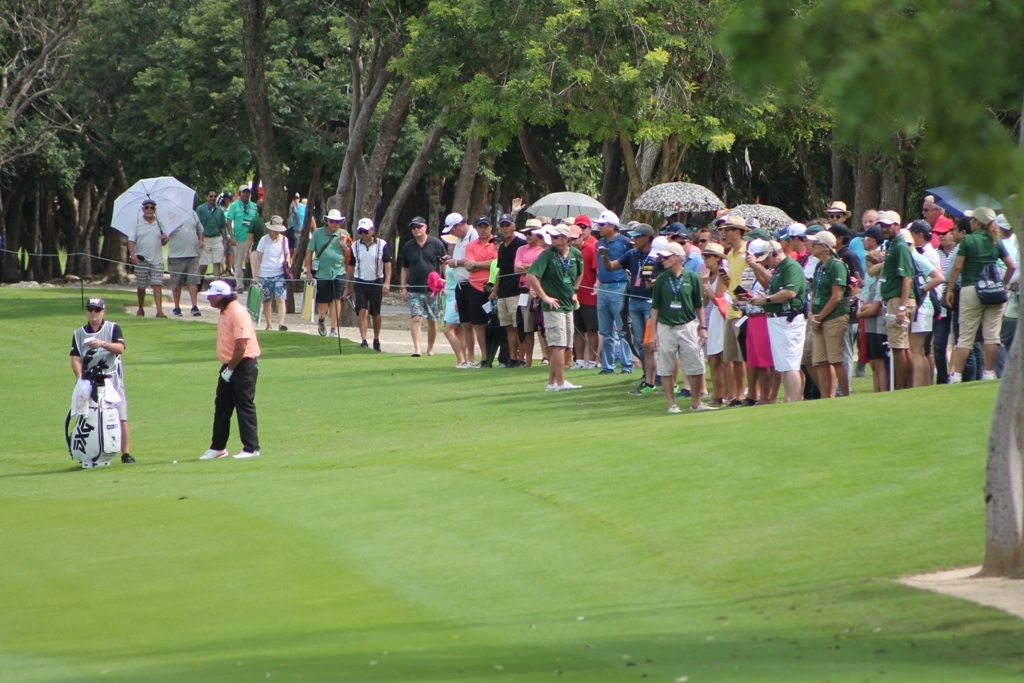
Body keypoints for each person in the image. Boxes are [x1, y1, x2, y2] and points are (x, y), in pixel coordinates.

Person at [946, 207, 1017, 383]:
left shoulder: (968, 240)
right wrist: (1003, 284)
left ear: (977, 222)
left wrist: (949, 289)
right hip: (994, 290)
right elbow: (1011, 266)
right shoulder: (996, 240)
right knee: (992, 335)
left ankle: (956, 375)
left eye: (972, 220)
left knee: (966, 335)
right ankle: (988, 372)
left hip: (971, 288)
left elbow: (957, 267)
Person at [198, 281, 261, 460]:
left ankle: (251, 448)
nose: (209, 298)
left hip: (243, 364)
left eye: (211, 295)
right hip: (229, 365)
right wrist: (228, 368)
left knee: (244, 405)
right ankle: (218, 448)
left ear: (221, 296)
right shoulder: (224, 311)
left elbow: (242, 346)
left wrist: (231, 369)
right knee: (222, 407)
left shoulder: (238, 312)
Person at [649, 242, 714, 413]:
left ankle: (696, 402)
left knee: (696, 366)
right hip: (666, 327)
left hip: (688, 326)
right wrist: (653, 333)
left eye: (666, 257)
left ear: (677, 258)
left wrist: (703, 327)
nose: (662, 260)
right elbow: (655, 307)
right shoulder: (662, 280)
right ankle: (671, 404)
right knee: (666, 367)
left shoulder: (692, 277)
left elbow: (699, 305)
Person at [70, 297, 134, 463]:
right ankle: (86, 450)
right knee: (86, 415)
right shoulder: (78, 333)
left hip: (112, 379)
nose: (93, 313)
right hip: (88, 381)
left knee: (120, 415)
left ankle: (125, 453)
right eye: (90, 309)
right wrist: (79, 377)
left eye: (97, 310)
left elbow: (120, 348)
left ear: (103, 311)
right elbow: (75, 357)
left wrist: (102, 344)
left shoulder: (113, 328)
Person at [601, 223, 658, 394]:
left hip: (650, 302)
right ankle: (647, 375)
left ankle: (658, 376)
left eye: (637, 236)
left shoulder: (656, 255)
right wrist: (604, 257)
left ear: (646, 237)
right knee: (639, 341)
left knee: (651, 342)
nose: (633, 239)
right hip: (634, 300)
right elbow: (610, 267)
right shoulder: (632, 254)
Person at [527, 225, 584, 391]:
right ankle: (560, 382)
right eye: (552, 237)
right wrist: (544, 296)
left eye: (557, 237)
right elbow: (531, 275)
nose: (553, 240)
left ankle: (552, 383)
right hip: (554, 307)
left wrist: (575, 291)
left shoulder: (575, 254)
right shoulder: (548, 254)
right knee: (558, 344)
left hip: (568, 305)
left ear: (566, 238)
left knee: (565, 345)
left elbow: (580, 272)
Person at [749, 243, 806, 402]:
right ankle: (789, 400)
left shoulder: (791, 267)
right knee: (783, 364)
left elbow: (790, 292)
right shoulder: (780, 268)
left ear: (775, 253)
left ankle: (795, 401)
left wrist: (766, 299)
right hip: (777, 318)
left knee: (790, 363)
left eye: (767, 258)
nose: (766, 262)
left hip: (788, 318)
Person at [807, 231, 849, 399]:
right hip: (818, 318)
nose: (811, 246)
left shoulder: (836, 265)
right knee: (821, 361)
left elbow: (837, 296)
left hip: (833, 317)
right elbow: (815, 293)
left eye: (815, 243)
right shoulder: (819, 266)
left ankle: (846, 396)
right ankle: (826, 398)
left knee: (836, 360)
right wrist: (811, 314)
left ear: (824, 246)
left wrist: (820, 316)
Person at [401, 216, 448, 357]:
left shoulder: (436, 243)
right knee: (416, 318)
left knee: (433, 320)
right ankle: (417, 349)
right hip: (414, 288)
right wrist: (403, 287)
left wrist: (446, 282)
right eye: (414, 227)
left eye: (419, 226)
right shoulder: (408, 246)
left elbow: (444, 264)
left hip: (433, 289)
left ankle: (430, 348)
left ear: (425, 227)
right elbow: (405, 268)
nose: (416, 230)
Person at [595, 210, 634, 374]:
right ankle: (607, 366)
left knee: (623, 328)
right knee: (605, 331)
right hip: (603, 288)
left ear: (612, 226)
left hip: (619, 287)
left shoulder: (625, 242)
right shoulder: (599, 243)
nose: (599, 227)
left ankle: (627, 365)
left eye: (602, 225)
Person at [907, 222, 945, 387]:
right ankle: (924, 386)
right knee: (922, 350)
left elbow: (938, 277)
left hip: (924, 305)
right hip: (927, 305)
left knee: (917, 350)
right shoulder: (920, 254)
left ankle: (917, 387)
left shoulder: (918, 256)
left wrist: (919, 290)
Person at [345, 217, 392, 350]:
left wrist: (387, 282)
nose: (363, 234)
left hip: (376, 282)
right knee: (362, 310)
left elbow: (388, 264)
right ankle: (364, 340)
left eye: (366, 231)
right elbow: (351, 267)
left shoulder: (381, 245)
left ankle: (376, 339)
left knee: (376, 313)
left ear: (372, 230)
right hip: (360, 282)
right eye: (361, 232)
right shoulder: (355, 246)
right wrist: (348, 286)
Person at [719, 214, 750, 404]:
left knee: (743, 356)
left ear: (738, 232)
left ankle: (745, 393)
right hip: (731, 309)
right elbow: (734, 280)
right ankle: (738, 394)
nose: (724, 233)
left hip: (744, 310)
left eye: (728, 230)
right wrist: (726, 281)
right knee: (733, 357)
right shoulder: (729, 254)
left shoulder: (748, 252)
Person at [442, 213, 479, 362]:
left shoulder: (473, 235)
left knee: (473, 324)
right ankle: (469, 359)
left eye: (452, 229)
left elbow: (474, 260)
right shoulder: (459, 238)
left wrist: (455, 262)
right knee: (465, 325)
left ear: (459, 225)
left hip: (471, 283)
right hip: (460, 285)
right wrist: (451, 260)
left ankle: (472, 358)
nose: (451, 233)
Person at [305, 209, 347, 337]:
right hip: (322, 272)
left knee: (336, 299)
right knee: (323, 300)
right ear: (327, 221)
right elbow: (309, 252)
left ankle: (334, 328)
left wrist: (344, 245)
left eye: (337, 222)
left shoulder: (344, 234)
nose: (334, 224)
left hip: (339, 271)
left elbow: (350, 255)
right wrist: (308, 272)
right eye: (332, 221)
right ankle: (322, 319)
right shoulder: (318, 233)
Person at [491, 213, 527, 366]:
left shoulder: (521, 244)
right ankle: (512, 358)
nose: (505, 228)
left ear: (514, 226)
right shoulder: (502, 248)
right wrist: (495, 290)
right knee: (508, 327)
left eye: (507, 225)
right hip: (503, 292)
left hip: (516, 291)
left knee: (518, 326)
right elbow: (500, 270)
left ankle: (521, 357)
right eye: (502, 226)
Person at [464, 216, 498, 365]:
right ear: (476, 228)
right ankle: (485, 357)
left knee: (500, 323)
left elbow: (497, 262)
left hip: (494, 286)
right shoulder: (471, 245)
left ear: (491, 227)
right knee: (479, 324)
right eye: (480, 226)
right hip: (475, 287)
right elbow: (468, 265)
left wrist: (476, 264)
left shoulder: (496, 243)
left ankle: (501, 357)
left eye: (486, 226)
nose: (483, 229)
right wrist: (486, 264)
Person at [700, 242, 731, 405]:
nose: (705, 259)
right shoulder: (708, 275)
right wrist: (703, 284)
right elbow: (705, 302)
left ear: (718, 258)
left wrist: (705, 286)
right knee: (713, 358)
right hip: (713, 317)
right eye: (704, 255)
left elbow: (718, 299)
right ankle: (718, 393)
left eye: (708, 256)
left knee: (722, 357)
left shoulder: (722, 274)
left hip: (722, 316)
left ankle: (724, 393)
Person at [128, 198, 168, 317]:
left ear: (155, 210)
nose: (149, 209)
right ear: (143, 209)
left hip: (157, 259)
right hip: (141, 259)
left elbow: (164, 242)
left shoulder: (160, 223)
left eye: (152, 207)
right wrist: (132, 254)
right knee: (141, 285)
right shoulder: (137, 222)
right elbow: (131, 240)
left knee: (157, 284)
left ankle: (159, 311)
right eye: (147, 207)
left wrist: (165, 239)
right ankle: (140, 308)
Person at [514, 221, 547, 367]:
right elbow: (517, 269)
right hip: (525, 290)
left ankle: (546, 357)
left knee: (542, 326)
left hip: (542, 290)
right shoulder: (521, 249)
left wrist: (527, 268)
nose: (527, 235)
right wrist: (533, 267)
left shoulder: (545, 251)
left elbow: (543, 270)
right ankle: (529, 361)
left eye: (530, 233)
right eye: (525, 233)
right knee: (527, 327)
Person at [251, 215, 290, 331]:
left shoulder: (284, 240)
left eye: (278, 230)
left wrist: (288, 261)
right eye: (274, 230)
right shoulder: (264, 240)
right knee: (266, 300)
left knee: (280, 298)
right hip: (265, 274)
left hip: (279, 274)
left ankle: (281, 323)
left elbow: (287, 253)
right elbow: (258, 257)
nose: (276, 233)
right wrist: (256, 275)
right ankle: (269, 324)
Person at [573, 215, 600, 369]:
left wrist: (596, 285)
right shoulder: (571, 250)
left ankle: (591, 360)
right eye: (579, 227)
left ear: (590, 228)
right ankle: (579, 360)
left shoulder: (591, 248)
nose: (581, 230)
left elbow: (597, 271)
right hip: (576, 296)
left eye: (584, 227)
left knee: (591, 329)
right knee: (578, 330)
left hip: (589, 295)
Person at [168, 210, 204, 317]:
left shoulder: (192, 213)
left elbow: (200, 228)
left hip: (193, 253)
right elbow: (164, 233)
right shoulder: (169, 214)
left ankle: (194, 306)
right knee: (177, 282)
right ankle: (176, 307)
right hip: (176, 255)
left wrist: (201, 239)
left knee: (193, 280)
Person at [225, 185, 259, 291]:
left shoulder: (254, 206)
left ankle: (255, 284)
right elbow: (229, 222)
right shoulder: (234, 206)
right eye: (243, 192)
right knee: (238, 263)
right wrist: (232, 237)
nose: (246, 194)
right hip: (239, 238)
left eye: (247, 192)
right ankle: (239, 285)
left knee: (254, 262)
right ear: (239, 193)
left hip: (252, 239)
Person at [197, 189, 229, 278]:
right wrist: (199, 239)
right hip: (205, 238)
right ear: (206, 197)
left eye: (215, 196)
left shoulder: (220, 211)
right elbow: (197, 225)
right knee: (203, 264)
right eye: (211, 196)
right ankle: (198, 283)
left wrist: (225, 241)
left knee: (217, 262)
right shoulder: (200, 209)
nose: (213, 198)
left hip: (217, 238)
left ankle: (216, 284)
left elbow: (223, 227)